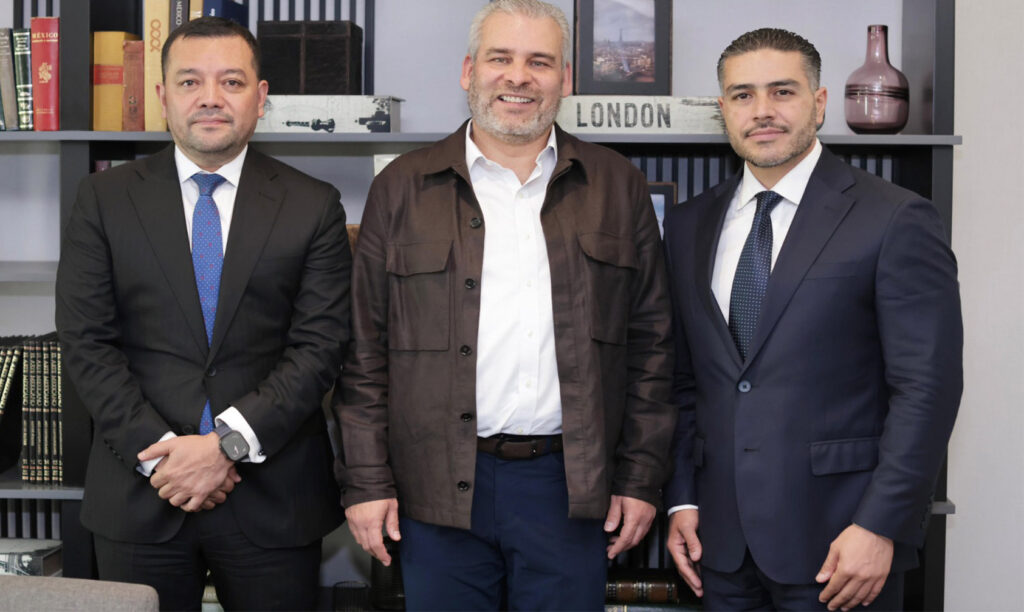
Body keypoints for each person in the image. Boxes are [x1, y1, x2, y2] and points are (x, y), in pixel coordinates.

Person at [334, 0, 675, 609]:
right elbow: (363, 353)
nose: (518, 77)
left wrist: (641, 477)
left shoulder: (617, 186)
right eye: (501, 58)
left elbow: (652, 350)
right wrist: (365, 480)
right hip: (433, 487)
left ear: (564, 79)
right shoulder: (402, 188)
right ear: (469, 70)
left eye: (539, 62)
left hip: (569, 488)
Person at [55, 17, 350, 611]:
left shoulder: (313, 205)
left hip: (273, 498)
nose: (211, 97)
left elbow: (320, 348)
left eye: (231, 82)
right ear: (162, 96)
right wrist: (164, 453)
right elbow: (87, 343)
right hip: (141, 493)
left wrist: (225, 446)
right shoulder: (103, 199)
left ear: (260, 98)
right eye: (190, 81)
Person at [662, 28, 962, 611]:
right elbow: (681, 380)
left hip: (843, 545)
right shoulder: (688, 224)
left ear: (819, 103)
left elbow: (927, 389)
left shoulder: (896, 217)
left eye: (783, 91)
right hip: (718, 545)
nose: (762, 111)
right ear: (724, 110)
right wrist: (681, 498)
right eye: (743, 95)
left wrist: (880, 525)